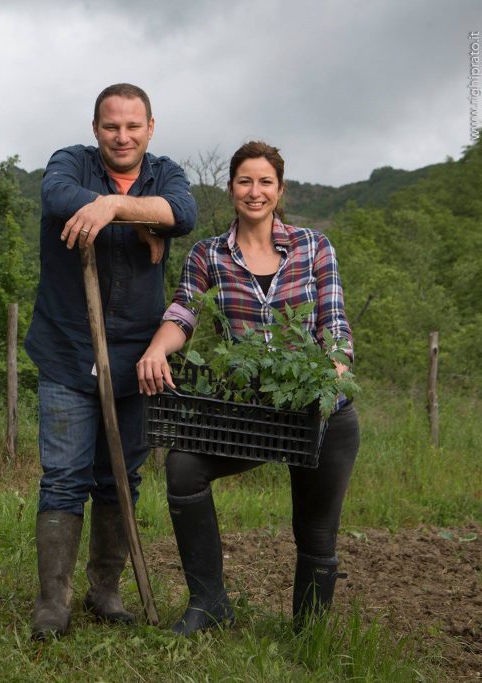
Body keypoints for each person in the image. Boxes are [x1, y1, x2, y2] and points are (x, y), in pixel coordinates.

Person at [136, 141, 361, 635]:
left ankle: (310, 634)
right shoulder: (209, 254)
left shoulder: (314, 247)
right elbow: (183, 312)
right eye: (244, 181)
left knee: (316, 531)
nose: (254, 192)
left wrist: (334, 369)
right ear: (231, 187)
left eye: (264, 182)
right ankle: (210, 603)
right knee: (184, 465)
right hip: (255, 409)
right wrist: (157, 349)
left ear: (279, 190)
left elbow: (335, 324)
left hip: (319, 410)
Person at [24, 83, 197, 639]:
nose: (122, 136)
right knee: (65, 476)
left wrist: (114, 206)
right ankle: (53, 601)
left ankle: (106, 590)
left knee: (121, 476)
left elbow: (184, 212)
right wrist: (136, 218)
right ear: (95, 129)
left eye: (132, 126)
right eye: (110, 126)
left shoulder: (164, 173)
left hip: (136, 359)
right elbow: (56, 197)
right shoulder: (69, 163)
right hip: (69, 351)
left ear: (150, 127)